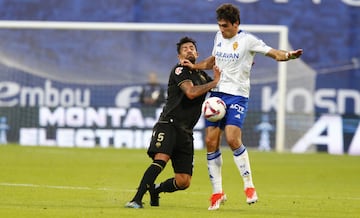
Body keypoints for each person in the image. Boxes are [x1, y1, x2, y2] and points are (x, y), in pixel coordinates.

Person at [181, 3, 303, 210]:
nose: (221, 29)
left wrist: (289, 55)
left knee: (232, 138)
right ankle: (217, 192)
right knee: (210, 141)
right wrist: (196, 65)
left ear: (236, 24)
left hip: (237, 96)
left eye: (225, 26)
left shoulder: (248, 40)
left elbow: (274, 53)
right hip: (217, 94)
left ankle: (249, 185)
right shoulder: (218, 37)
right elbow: (213, 60)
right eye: (219, 25)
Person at [125, 36, 221, 208]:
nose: (189, 50)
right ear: (179, 56)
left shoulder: (202, 76)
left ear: (197, 54)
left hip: (186, 132)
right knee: (161, 160)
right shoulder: (179, 70)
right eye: (185, 49)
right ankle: (136, 199)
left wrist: (241, 65)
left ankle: (156, 190)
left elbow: (219, 78)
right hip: (169, 124)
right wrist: (214, 82)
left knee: (184, 181)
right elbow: (191, 92)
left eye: (192, 47)